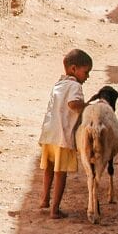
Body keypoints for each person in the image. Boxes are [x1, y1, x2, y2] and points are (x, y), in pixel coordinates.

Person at [38, 49, 92, 219]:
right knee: (61, 173)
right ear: (74, 69)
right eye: (86, 72)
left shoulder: (58, 84)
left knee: (49, 168)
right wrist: (88, 107)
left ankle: (45, 199)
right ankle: (55, 210)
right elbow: (73, 104)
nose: (87, 76)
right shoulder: (75, 86)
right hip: (63, 136)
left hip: (49, 133)